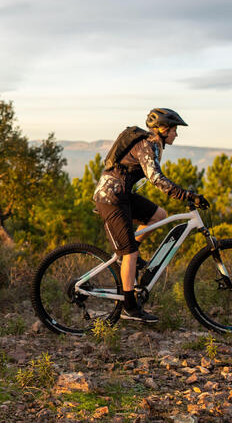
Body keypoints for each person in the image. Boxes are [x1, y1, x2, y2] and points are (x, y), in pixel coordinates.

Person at [93, 108, 209, 323]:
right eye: (174, 130)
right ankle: (129, 306)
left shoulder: (153, 144)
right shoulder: (147, 144)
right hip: (111, 199)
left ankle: (128, 262)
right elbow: (155, 178)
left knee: (158, 215)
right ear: (163, 129)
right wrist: (187, 195)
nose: (176, 134)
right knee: (130, 253)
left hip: (123, 195)